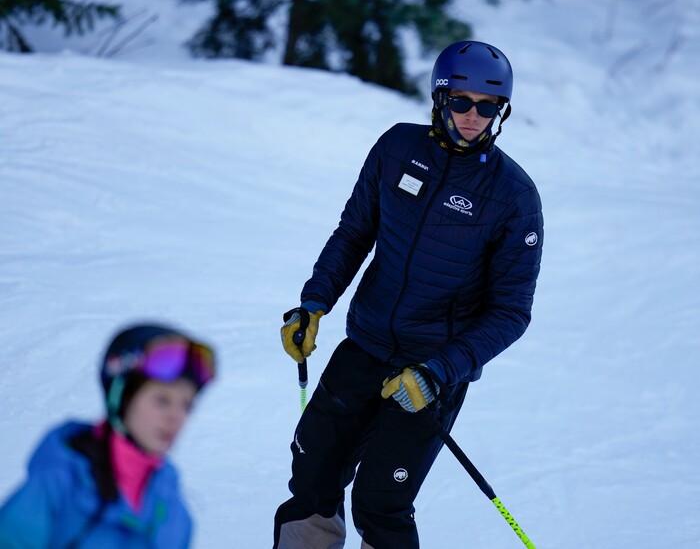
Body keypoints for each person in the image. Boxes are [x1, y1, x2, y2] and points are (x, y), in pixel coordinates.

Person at [274, 40, 544, 548]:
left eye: (488, 107)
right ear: (439, 100)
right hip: (365, 345)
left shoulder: (514, 197)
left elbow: (511, 312)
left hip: (429, 372)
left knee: (380, 503)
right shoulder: (397, 147)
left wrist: (438, 371)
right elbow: (355, 232)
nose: (473, 116)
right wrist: (313, 305)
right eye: (461, 102)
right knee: (311, 479)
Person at [0, 323, 216, 548]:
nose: (176, 417)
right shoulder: (60, 484)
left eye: (187, 405)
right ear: (120, 397)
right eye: (162, 401)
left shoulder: (173, 511)